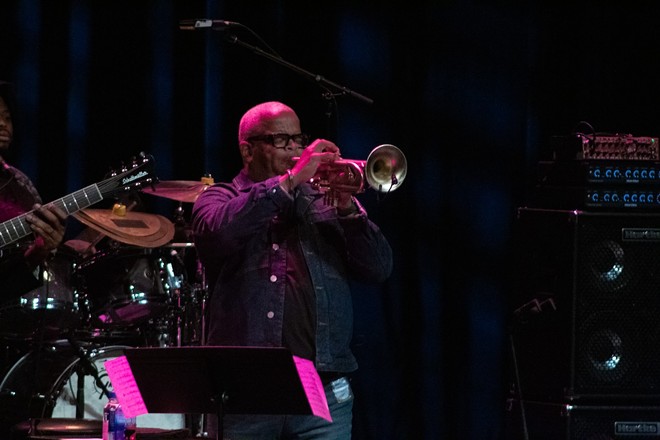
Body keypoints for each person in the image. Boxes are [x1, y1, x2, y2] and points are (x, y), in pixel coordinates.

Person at [191, 101, 393, 439]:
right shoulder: (218, 198)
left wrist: (347, 210)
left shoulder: (323, 201)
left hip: (323, 394)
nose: (296, 151)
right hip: (245, 394)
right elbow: (217, 234)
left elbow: (379, 269)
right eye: (283, 141)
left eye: (299, 141)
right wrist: (290, 180)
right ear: (247, 150)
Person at [0, 80, 68, 313]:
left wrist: (40, 251)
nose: (3, 124)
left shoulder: (20, 184)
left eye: (8, 118)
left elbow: (10, 284)